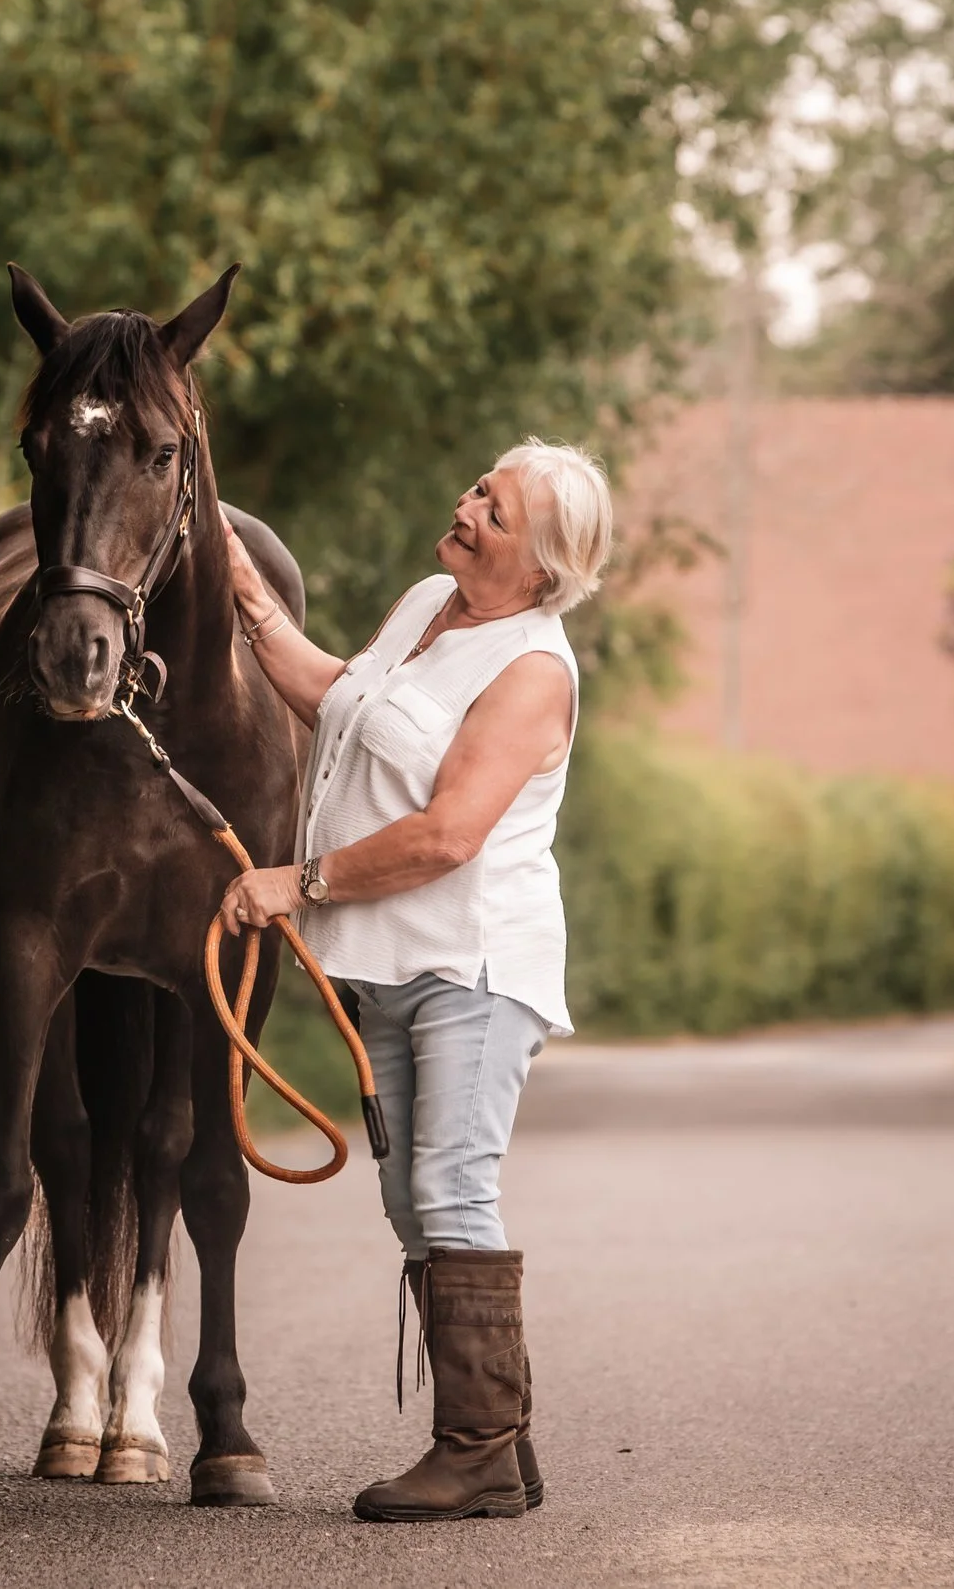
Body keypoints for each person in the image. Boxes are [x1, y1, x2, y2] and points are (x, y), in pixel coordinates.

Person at [215, 437, 615, 1523]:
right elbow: (343, 703)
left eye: (495, 504)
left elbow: (445, 835)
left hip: (473, 967)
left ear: (540, 566)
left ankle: (477, 1450)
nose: (467, 502)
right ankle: (501, 1447)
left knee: (448, 1188)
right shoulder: (431, 600)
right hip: (387, 964)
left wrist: (297, 881)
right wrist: (251, 602)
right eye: (479, 484)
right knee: (408, 1199)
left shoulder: (532, 671)